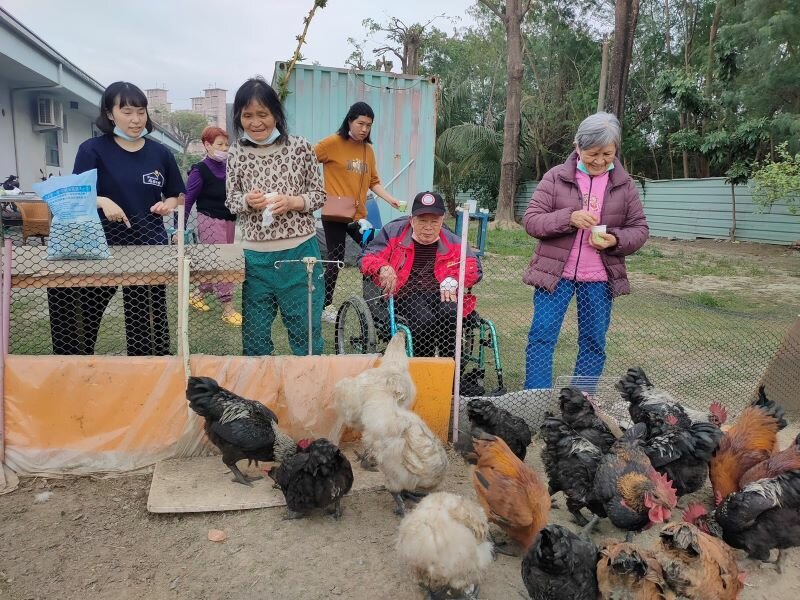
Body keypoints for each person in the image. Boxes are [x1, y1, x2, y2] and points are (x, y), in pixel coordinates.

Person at [47, 81, 185, 356]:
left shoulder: (160, 153)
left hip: (147, 249)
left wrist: (166, 205)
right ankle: (76, 368)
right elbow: (75, 195)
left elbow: (177, 195)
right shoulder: (92, 150)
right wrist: (102, 200)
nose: (136, 119)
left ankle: (148, 369)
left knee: (147, 327)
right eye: (127, 112)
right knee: (82, 321)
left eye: (141, 112)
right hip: (99, 249)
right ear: (110, 114)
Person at [522, 112, 649, 390]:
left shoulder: (624, 185)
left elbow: (640, 229)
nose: (600, 161)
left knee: (593, 342)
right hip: (555, 276)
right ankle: (536, 398)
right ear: (577, 147)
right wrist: (568, 218)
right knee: (542, 337)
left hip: (599, 279)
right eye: (593, 154)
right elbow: (531, 220)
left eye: (608, 154)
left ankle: (581, 402)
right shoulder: (555, 178)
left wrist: (614, 239)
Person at [225, 77, 326, 356]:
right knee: (255, 334)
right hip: (255, 257)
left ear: (276, 115)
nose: (256, 122)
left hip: (300, 253)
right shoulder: (236, 152)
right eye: (247, 115)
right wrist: (247, 200)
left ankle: (309, 378)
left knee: (305, 328)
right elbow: (231, 200)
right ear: (239, 117)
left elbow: (319, 195)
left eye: (263, 114)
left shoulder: (300, 147)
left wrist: (293, 202)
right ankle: (260, 381)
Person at [359, 191, 482, 358]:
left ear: (442, 221)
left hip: (441, 293)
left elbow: (474, 268)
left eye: (434, 221)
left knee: (451, 314)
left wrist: (454, 278)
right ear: (412, 220)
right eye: (422, 221)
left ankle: (449, 368)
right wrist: (382, 267)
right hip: (406, 294)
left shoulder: (452, 240)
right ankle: (425, 365)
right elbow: (367, 257)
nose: (428, 227)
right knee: (424, 320)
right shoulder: (394, 232)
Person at [316, 102, 402, 323]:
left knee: (375, 250)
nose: (364, 129)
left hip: (358, 217)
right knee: (336, 259)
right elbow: (305, 160)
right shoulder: (332, 143)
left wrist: (390, 199)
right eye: (360, 123)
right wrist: (313, 192)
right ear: (349, 121)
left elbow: (374, 182)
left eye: (368, 125)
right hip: (335, 214)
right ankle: (324, 305)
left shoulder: (368, 151)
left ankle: (376, 301)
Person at [179, 126, 241, 326]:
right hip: (209, 221)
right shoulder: (199, 170)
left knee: (215, 262)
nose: (224, 148)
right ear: (207, 145)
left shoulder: (229, 168)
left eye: (226, 144)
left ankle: (197, 295)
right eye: (219, 144)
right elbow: (187, 201)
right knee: (221, 263)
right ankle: (228, 308)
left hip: (229, 220)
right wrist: (179, 229)